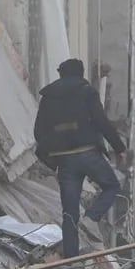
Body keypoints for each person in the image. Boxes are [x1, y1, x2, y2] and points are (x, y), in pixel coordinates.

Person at [34, 58, 127, 258]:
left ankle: (71, 260)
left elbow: (39, 131)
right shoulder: (87, 92)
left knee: (69, 213)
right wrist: (119, 148)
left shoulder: (48, 97)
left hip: (64, 160)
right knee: (111, 186)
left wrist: (49, 153)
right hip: (88, 154)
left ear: (61, 74)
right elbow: (102, 122)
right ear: (80, 73)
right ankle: (91, 218)